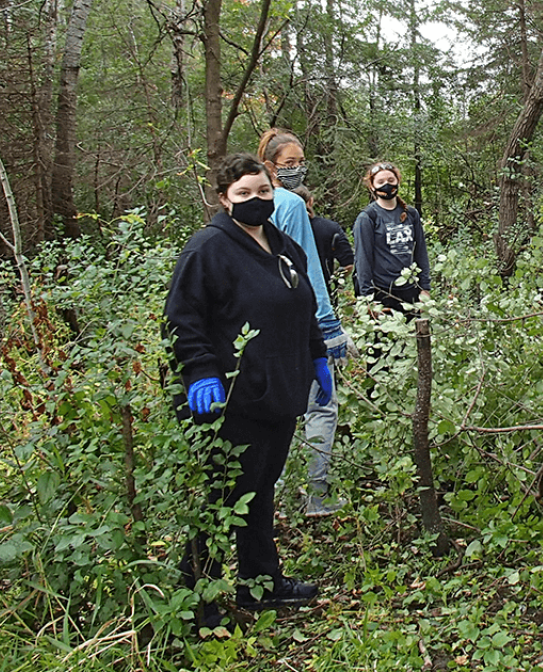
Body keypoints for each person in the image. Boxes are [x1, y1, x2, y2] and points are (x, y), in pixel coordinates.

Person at [165, 153, 329, 628]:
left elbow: (304, 306)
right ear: (223, 198)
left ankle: (261, 582)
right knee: (225, 496)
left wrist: (317, 355)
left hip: (278, 391)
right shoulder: (208, 250)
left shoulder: (282, 245)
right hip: (230, 397)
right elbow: (182, 319)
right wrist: (199, 371)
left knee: (261, 490)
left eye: (263, 192)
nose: (256, 201)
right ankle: (198, 602)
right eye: (244, 194)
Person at [257, 129, 348, 517]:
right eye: (288, 164)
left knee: (277, 412)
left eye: (300, 163)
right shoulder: (291, 204)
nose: (296, 170)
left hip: (260, 326)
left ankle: (272, 496)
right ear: (269, 167)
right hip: (298, 323)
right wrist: (328, 327)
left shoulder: (242, 206)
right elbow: (305, 269)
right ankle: (316, 495)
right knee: (321, 408)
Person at [352, 161, 431, 315]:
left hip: (410, 290)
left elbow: (421, 251)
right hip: (382, 292)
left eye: (390, 180)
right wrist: (368, 297)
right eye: (380, 182)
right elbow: (363, 260)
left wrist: (425, 288)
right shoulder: (367, 218)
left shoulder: (411, 214)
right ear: (372, 186)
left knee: (415, 336)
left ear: (398, 181)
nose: (386, 185)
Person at [291, 185, 356, 299]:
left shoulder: (279, 230)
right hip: (324, 294)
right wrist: (334, 282)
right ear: (311, 201)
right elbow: (348, 264)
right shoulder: (330, 228)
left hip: (292, 294)